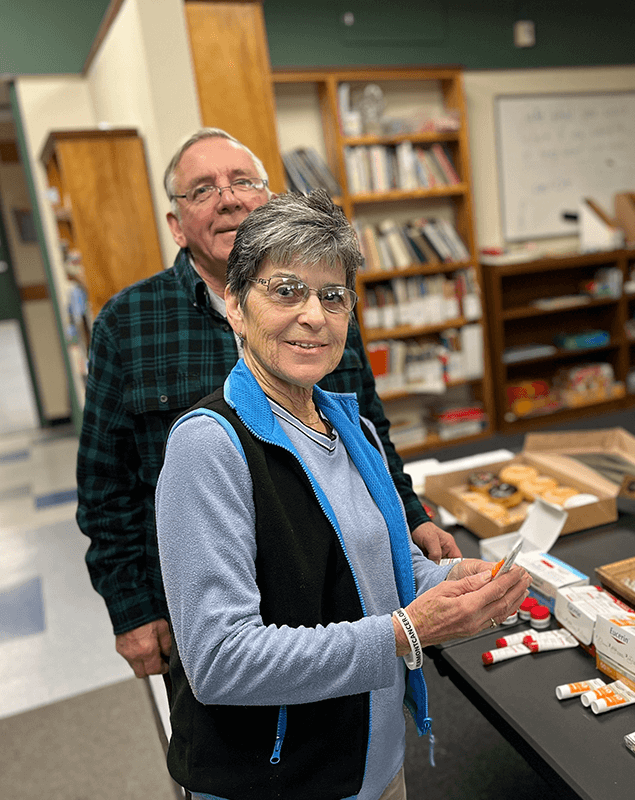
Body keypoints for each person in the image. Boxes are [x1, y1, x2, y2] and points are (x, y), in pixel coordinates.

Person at [155, 191, 530, 800]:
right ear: (234, 305)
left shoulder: (348, 425)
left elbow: (384, 566)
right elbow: (220, 661)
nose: (315, 316)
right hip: (280, 779)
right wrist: (404, 635)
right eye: (286, 291)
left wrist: (458, 582)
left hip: (370, 760)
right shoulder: (209, 447)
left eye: (333, 296)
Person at [76, 128, 461, 681]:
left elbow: (367, 431)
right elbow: (104, 484)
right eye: (202, 190)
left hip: (337, 584)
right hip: (210, 606)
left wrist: (410, 519)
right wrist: (131, 610)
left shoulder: (325, 306)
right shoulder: (127, 323)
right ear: (175, 225)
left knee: (350, 726)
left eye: (243, 182)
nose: (228, 198)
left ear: (269, 202)